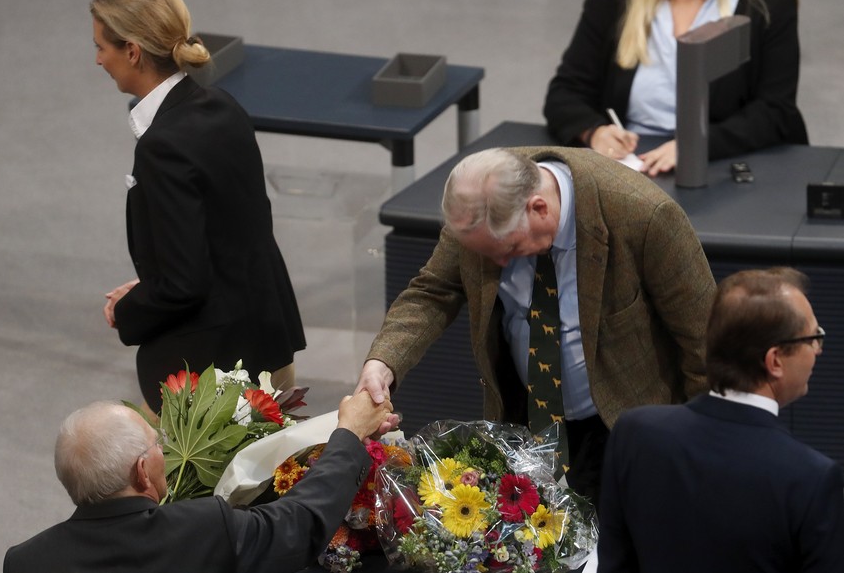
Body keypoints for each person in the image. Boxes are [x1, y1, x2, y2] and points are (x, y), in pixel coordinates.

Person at [355, 146, 716, 507]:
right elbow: (432, 291)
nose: (497, 263)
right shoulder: (478, 205)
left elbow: (707, 341)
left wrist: (700, 445)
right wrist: (383, 362)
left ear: (539, 208)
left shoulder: (645, 215)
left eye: (508, 249)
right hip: (525, 421)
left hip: (628, 426)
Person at [91, 0, 305, 412]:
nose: (98, 60)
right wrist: (150, 282)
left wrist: (131, 308)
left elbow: (184, 285)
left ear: (132, 51)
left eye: (102, 47)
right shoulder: (223, 107)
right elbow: (230, 238)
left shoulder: (161, 146)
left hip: (213, 389)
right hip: (269, 356)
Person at [598, 267, 844, 572]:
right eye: (813, 338)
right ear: (775, 361)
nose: (818, 350)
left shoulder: (634, 434)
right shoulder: (811, 479)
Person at [3, 392, 398, 573]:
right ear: (142, 472)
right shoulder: (203, 527)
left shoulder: (24, 562)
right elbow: (299, 523)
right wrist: (348, 432)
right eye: (158, 444)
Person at [543, 0, 808, 176]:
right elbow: (565, 92)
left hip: (725, 162)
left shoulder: (770, 4)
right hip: (635, 163)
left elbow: (775, 110)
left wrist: (694, 146)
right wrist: (595, 131)